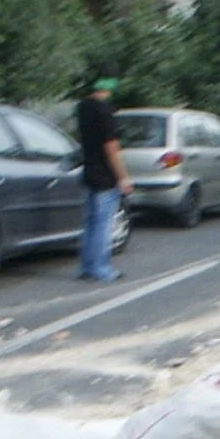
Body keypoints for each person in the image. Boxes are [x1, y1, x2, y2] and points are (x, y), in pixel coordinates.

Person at [76, 62, 133, 283]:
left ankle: (86, 266)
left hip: (89, 170)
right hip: (105, 176)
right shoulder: (105, 109)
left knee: (90, 222)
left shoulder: (83, 106)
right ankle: (101, 268)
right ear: (112, 82)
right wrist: (123, 177)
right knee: (103, 224)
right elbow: (111, 148)